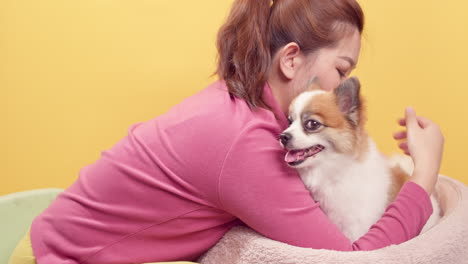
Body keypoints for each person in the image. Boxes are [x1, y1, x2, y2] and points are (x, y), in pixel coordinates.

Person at [9, 0, 444, 263]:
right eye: (341, 69)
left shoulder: (243, 104)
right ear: (291, 60)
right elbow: (352, 259)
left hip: (53, 235)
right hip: (59, 258)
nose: (339, 87)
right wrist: (425, 173)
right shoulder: (246, 144)